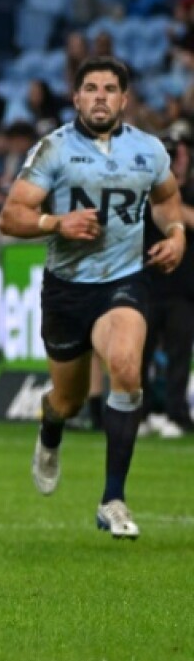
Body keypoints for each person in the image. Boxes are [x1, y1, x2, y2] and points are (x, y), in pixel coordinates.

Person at [0, 56, 185, 540]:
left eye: (109, 88)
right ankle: (50, 428)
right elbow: (10, 216)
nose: (100, 96)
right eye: (90, 88)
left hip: (124, 279)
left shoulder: (149, 150)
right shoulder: (53, 150)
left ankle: (113, 499)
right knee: (69, 398)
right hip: (66, 291)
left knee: (125, 364)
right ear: (76, 97)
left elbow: (166, 200)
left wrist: (178, 233)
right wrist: (56, 223)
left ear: (124, 99)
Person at [140, 131, 194, 436]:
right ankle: (142, 414)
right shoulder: (144, 192)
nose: (177, 160)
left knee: (179, 355)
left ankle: (177, 415)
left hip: (183, 290)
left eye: (180, 153)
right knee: (138, 356)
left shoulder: (184, 193)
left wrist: (173, 207)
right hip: (147, 285)